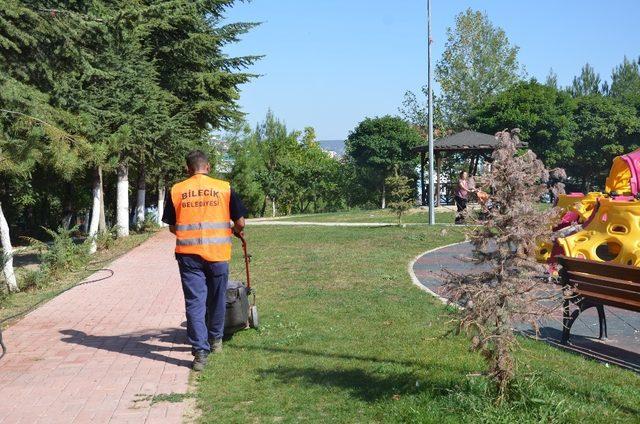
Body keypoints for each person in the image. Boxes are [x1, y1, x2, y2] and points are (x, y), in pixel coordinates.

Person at [162, 150, 248, 371]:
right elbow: (240, 222)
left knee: (195, 302)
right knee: (217, 298)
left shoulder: (177, 190)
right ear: (208, 167)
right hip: (218, 254)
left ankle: (200, 352)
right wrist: (235, 231)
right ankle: (215, 340)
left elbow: (173, 226)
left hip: (188, 256)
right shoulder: (224, 188)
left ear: (187, 169)